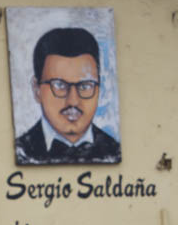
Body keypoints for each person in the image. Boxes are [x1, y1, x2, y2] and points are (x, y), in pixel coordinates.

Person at [15, 27, 121, 164]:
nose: (73, 101)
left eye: (85, 86)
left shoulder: (114, 151)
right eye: (59, 85)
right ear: (36, 89)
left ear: (99, 87)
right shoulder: (20, 151)